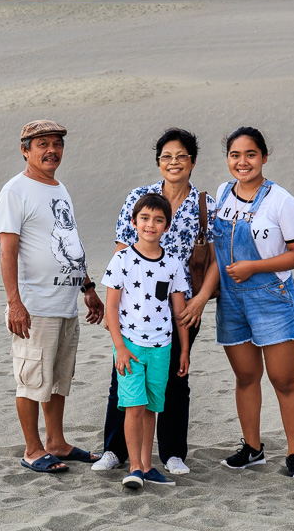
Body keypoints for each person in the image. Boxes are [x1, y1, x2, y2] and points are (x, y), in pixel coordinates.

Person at [92, 127, 218, 475]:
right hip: (135, 309)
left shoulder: (205, 205)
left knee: (176, 378)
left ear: (192, 161)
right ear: (158, 161)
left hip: (182, 309)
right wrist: (113, 305)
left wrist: (202, 300)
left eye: (181, 156)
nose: (173, 162)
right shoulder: (140, 196)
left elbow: (218, 258)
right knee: (124, 375)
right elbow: (121, 248)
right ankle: (114, 450)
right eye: (166, 156)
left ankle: (173, 453)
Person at [198, 126, 294, 478]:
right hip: (231, 300)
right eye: (235, 155)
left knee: (283, 379)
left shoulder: (281, 200)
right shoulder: (222, 194)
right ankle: (252, 447)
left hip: (270, 298)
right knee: (246, 376)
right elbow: (216, 252)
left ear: (264, 156)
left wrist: (254, 267)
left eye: (250, 154)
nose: (242, 162)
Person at [0, 119, 104, 474]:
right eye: (42, 144)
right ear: (25, 150)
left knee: (59, 378)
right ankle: (32, 449)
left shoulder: (59, 188)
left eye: (57, 143)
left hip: (65, 303)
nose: (51, 150)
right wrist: (15, 303)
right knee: (31, 379)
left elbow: (70, 242)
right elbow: (7, 252)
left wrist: (88, 289)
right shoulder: (15, 191)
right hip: (34, 305)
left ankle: (56, 441)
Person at [101, 193, 190, 488]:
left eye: (158, 220)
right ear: (133, 222)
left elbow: (179, 312)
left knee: (152, 407)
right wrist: (120, 348)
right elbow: (110, 308)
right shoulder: (122, 259)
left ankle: (148, 465)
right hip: (131, 347)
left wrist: (184, 349)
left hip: (162, 347)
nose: (150, 225)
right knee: (133, 406)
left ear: (167, 226)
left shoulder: (173, 264)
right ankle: (135, 467)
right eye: (145, 219)